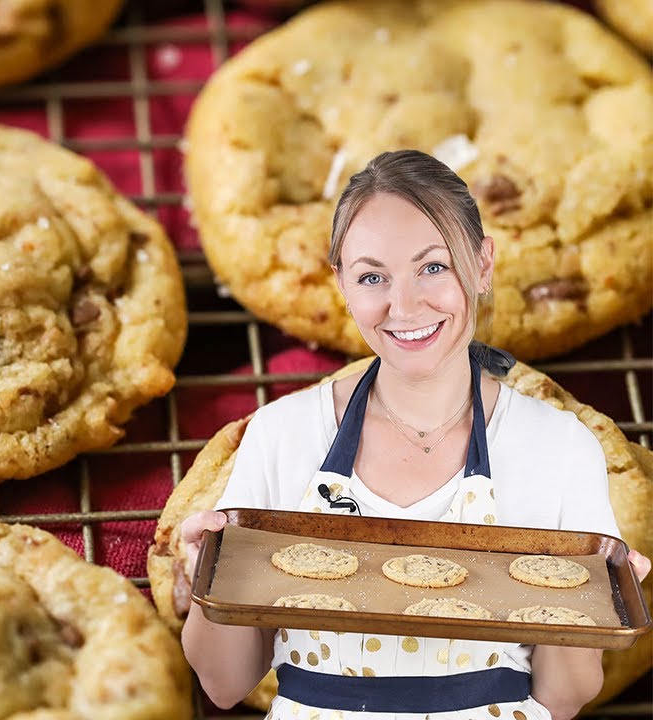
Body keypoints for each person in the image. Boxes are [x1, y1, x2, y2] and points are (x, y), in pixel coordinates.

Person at [179, 149, 651, 720]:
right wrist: (207, 571)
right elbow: (227, 683)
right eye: (373, 276)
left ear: (482, 264)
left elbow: (564, 695)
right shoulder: (285, 433)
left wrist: (588, 595)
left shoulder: (558, 447)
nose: (404, 306)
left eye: (433, 267)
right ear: (342, 285)